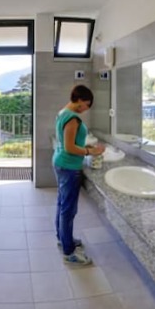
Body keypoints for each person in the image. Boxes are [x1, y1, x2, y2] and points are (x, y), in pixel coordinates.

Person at [53, 84, 105, 265]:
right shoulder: (73, 118)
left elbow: (68, 142)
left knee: (62, 204)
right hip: (68, 166)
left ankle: (63, 239)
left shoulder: (63, 112)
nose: (86, 109)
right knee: (68, 209)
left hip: (61, 162)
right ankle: (69, 253)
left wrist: (86, 147)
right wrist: (91, 152)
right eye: (87, 104)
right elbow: (70, 147)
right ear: (80, 100)